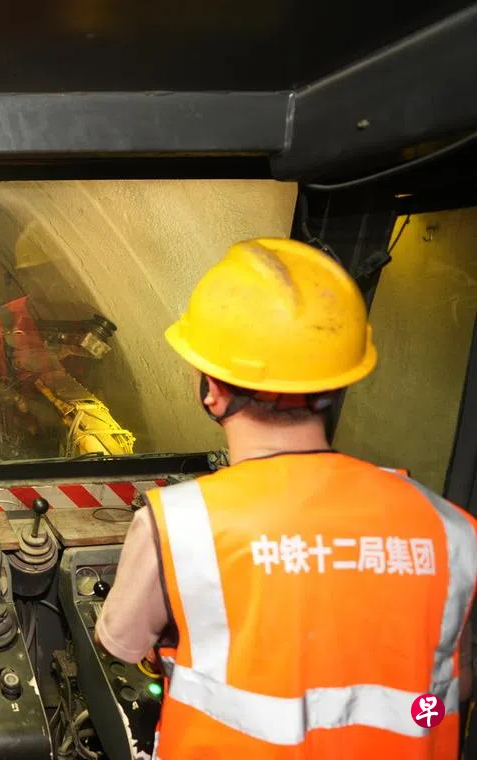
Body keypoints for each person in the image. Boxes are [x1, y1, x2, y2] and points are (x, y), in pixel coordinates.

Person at [95, 237, 477, 758]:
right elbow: (457, 682)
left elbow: (121, 643)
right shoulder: (452, 530)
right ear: (336, 386)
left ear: (212, 391)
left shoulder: (180, 526)